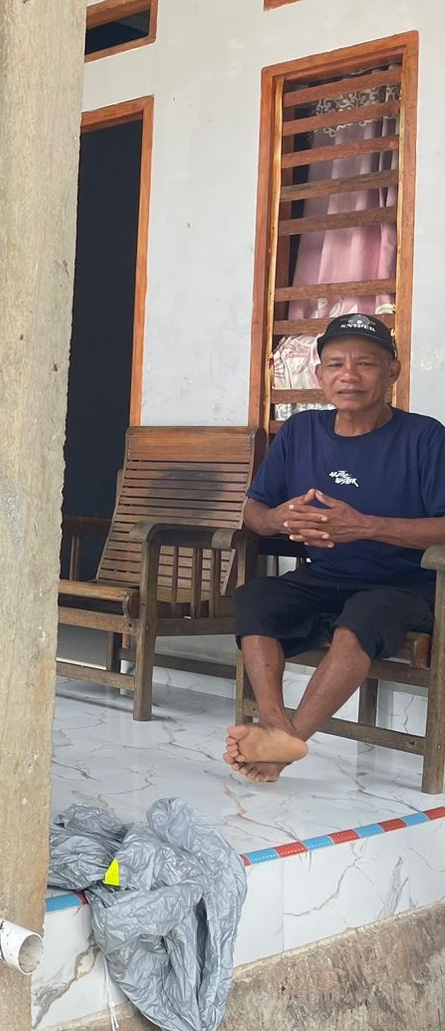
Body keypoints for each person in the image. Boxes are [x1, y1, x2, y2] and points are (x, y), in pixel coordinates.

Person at [226, 312, 445, 782]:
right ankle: (275, 726)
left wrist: (365, 526)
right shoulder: (301, 431)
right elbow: (254, 510)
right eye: (335, 364)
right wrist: (277, 519)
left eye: (365, 363)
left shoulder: (425, 436)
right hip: (323, 577)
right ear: (320, 374)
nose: (349, 375)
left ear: (392, 372)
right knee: (254, 598)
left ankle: (284, 744)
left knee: (361, 618)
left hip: (404, 584)